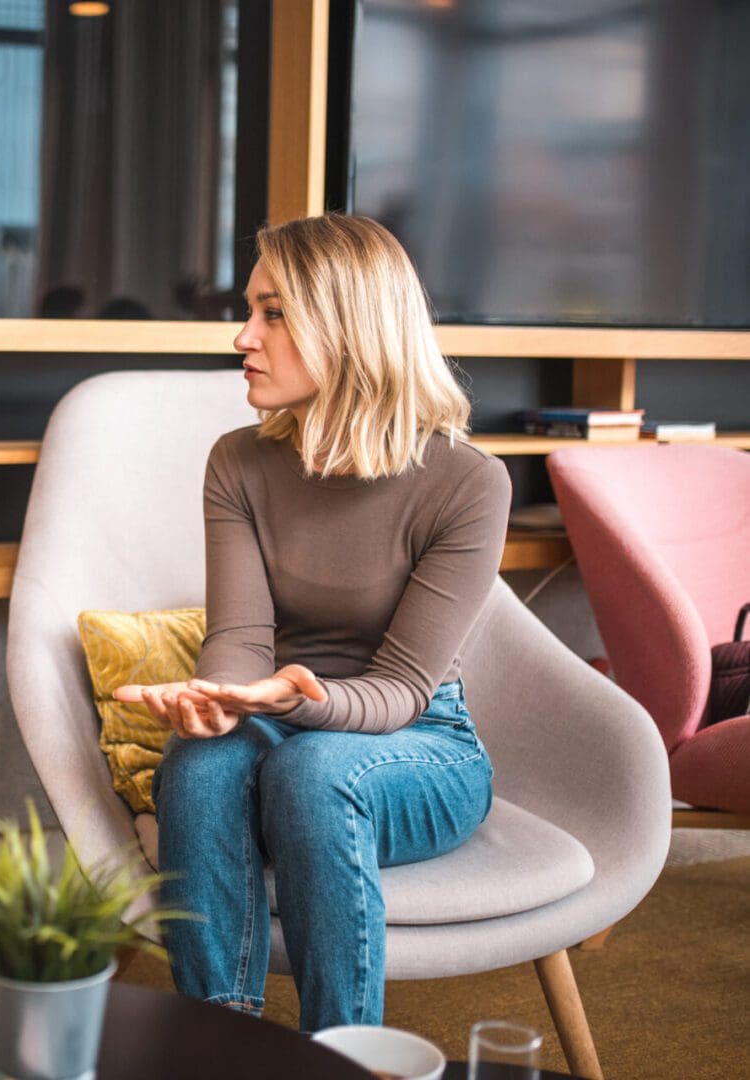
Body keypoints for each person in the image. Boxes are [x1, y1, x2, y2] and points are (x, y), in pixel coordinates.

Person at [116, 214, 510, 1031]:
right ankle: (223, 1039)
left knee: (316, 770)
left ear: (349, 325)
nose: (241, 337)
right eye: (250, 311)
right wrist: (218, 696)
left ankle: (340, 1051)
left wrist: (292, 699)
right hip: (280, 720)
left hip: (422, 745)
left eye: (273, 312)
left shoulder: (468, 482)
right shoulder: (240, 460)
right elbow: (241, 638)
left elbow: (402, 688)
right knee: (197, 763)